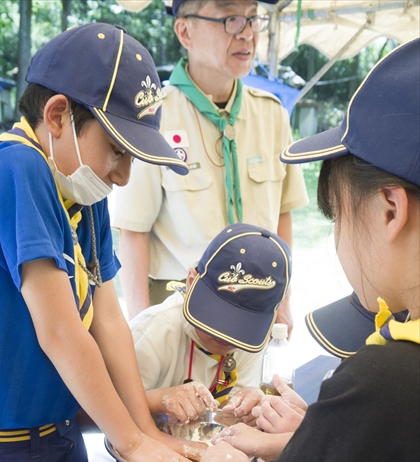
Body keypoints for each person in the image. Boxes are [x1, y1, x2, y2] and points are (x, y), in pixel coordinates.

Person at [197, 37, 420, 462]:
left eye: (339, 214)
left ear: (390, 208)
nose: (341, 239)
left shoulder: (391, 375)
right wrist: (320, 440)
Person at [0, 23, 204, 462]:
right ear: (57, 117)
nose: (122, 175)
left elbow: (108, 319)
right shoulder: (18, 171)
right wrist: (131, 443)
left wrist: (144, 432)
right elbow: (61, 332)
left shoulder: (85, 194)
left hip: (62, 442)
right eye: (117, 151)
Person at [109, 0, 309, 333]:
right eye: (230, 19)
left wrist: (282, 299)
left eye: (253, 19)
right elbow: (133, 231)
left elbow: (283, 213)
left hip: (255, 306)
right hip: (179, 311)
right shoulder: (152, 116)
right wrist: (142, 327)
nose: (247, 34)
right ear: (184, 30)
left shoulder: (271, 115)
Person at [86, 222, 305, 462]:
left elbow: (234, 412)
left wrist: (249, 400)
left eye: (241, 327)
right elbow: (100, 412)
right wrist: (156, 399)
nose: (226, 335)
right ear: (191, 282)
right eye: (216, 318)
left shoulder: (252, 340)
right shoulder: (155, 333)